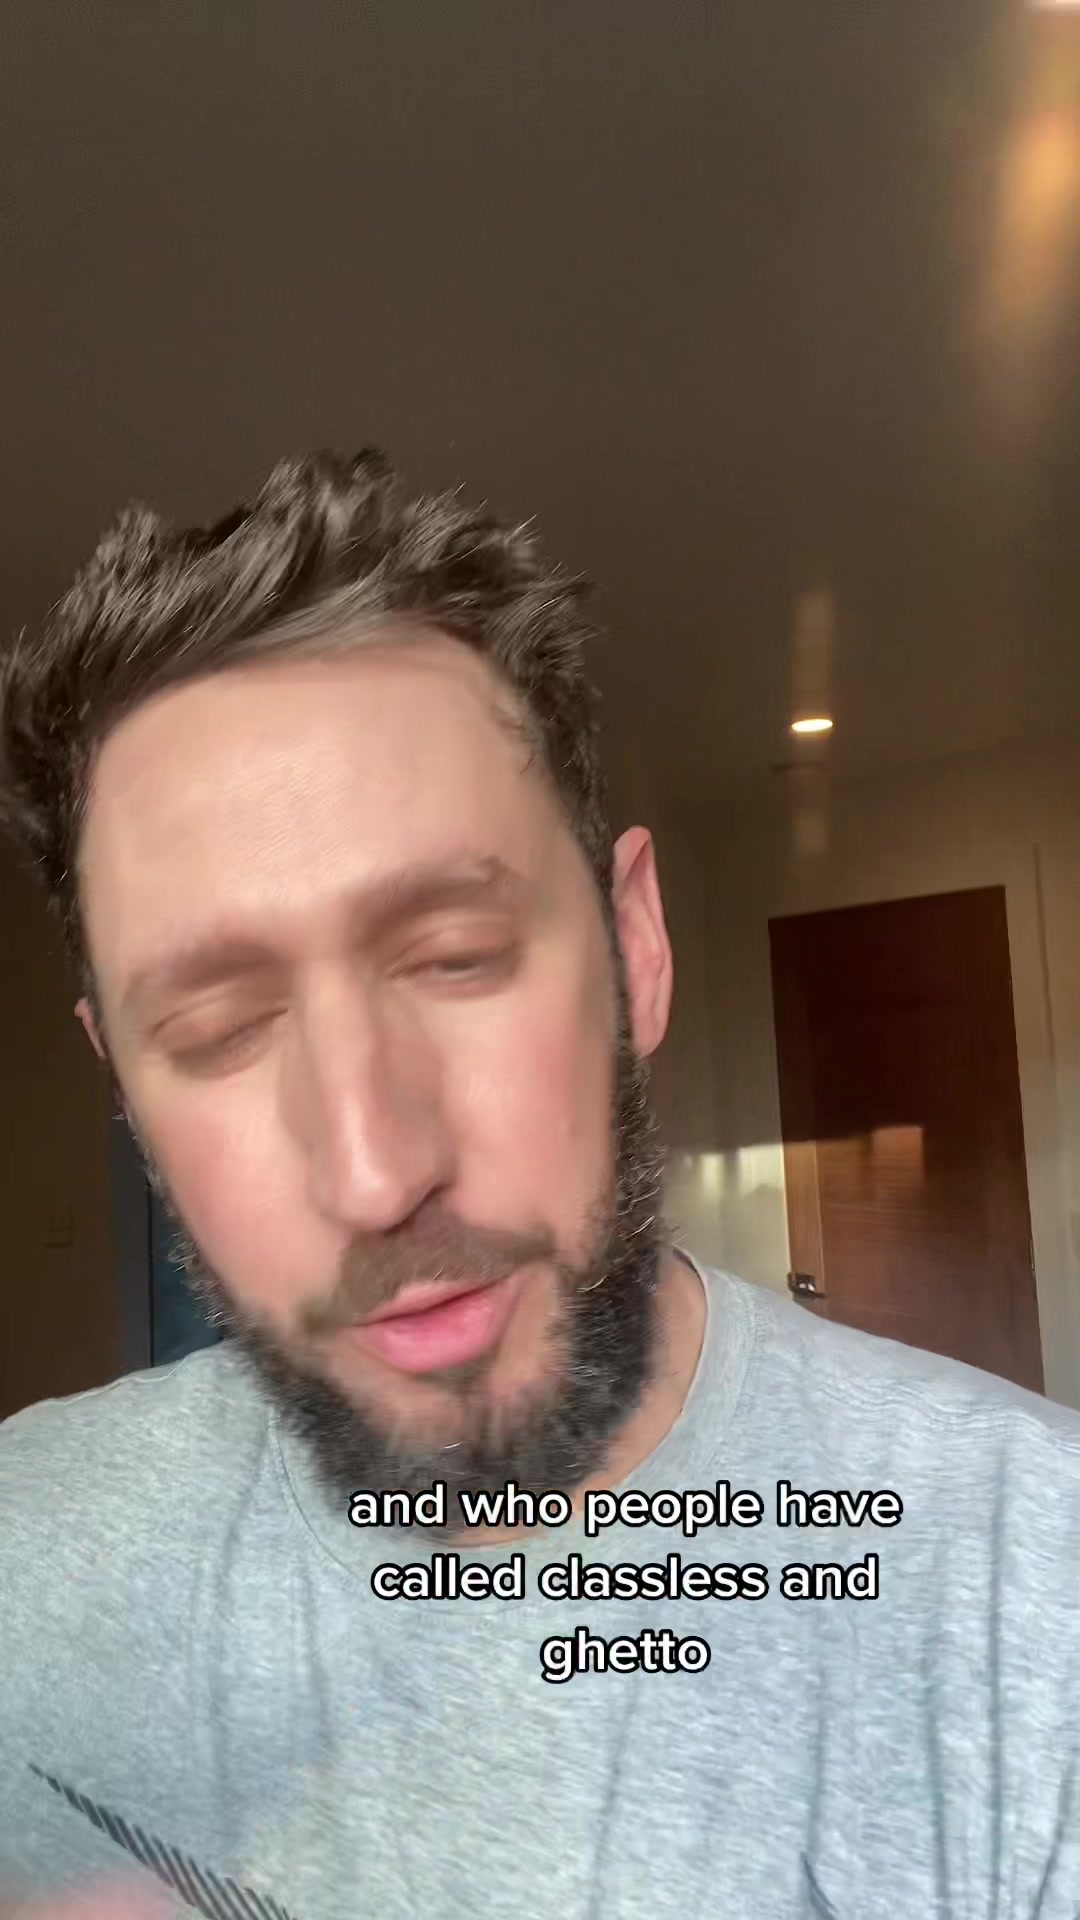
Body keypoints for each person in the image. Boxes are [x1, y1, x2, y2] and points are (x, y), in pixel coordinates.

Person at [1, 449, 1078, 1920]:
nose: (376, 1173)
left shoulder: (1029, 1589)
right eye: (218, 1032)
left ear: (635, 947)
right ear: (125, 1087)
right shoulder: (27, 1571)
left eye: (456, 959)